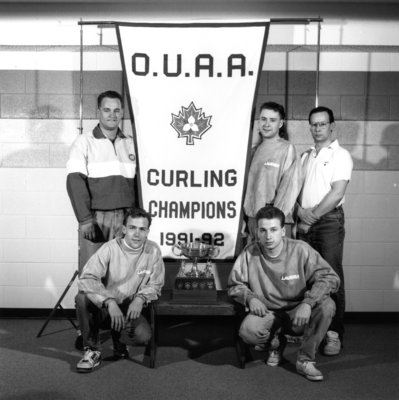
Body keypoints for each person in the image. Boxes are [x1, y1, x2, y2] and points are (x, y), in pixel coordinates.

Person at [228, 206, 339, 381]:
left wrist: (307, 303)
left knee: (327, 306)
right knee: (248, 331)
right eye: (263, 230)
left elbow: (330, 277)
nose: (268, 236)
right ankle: (276, 343)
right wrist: (250, 298)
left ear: (282, 231)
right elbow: (235, 284)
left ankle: (305, 360)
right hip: (269, 312)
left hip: (298, 313)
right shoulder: (250, 252)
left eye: (273, 230)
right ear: (257, 231)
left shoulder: (301, 249)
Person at [75, 207, 165, 373]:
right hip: (106, 306)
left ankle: (119, 341)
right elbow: (87, 278)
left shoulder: (153, 250)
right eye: (132, 228)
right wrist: (108, 301)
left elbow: (156, 283)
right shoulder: (110, 248)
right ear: (124, 229)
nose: (137, 234)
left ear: (147, 232)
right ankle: (92, 350)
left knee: (142, 335)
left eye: (142, 229)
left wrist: (140, 299)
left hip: (130, 307)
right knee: (81, 298)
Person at [295, 106, 353, 356]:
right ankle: (309, 330)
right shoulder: (305, 156)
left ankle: (333, 334)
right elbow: (293, 191)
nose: (317, 128)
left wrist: (312, 217)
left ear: (332, 126)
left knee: (331, 277)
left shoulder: (341, 155)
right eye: (313, 124)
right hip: (304, 220)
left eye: (322, 124)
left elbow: (337, 192)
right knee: (305, 277)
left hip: (327, 222)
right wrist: (299, 212)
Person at [66, 90, 136, 267]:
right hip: (96, 219)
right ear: (98, 111)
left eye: (117, 110)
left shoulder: (130, 143)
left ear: (122, 112)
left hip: (126, 219)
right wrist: (85, 219)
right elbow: (75, 183)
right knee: (92, 275)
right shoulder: (84, 142)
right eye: (107, 110)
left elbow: (139, 185)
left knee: (122, 274)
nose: (112, 115)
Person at [244, 102, 301, 242]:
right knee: (256, 262)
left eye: (272, 120)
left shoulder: (287, 149)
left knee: (278, 262)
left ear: (280, 123)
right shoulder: (253, 151)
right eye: (263, 119)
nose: (267, 124)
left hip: (276, 219)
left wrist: (273, 220)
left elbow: (289, 189)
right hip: (254, 218)